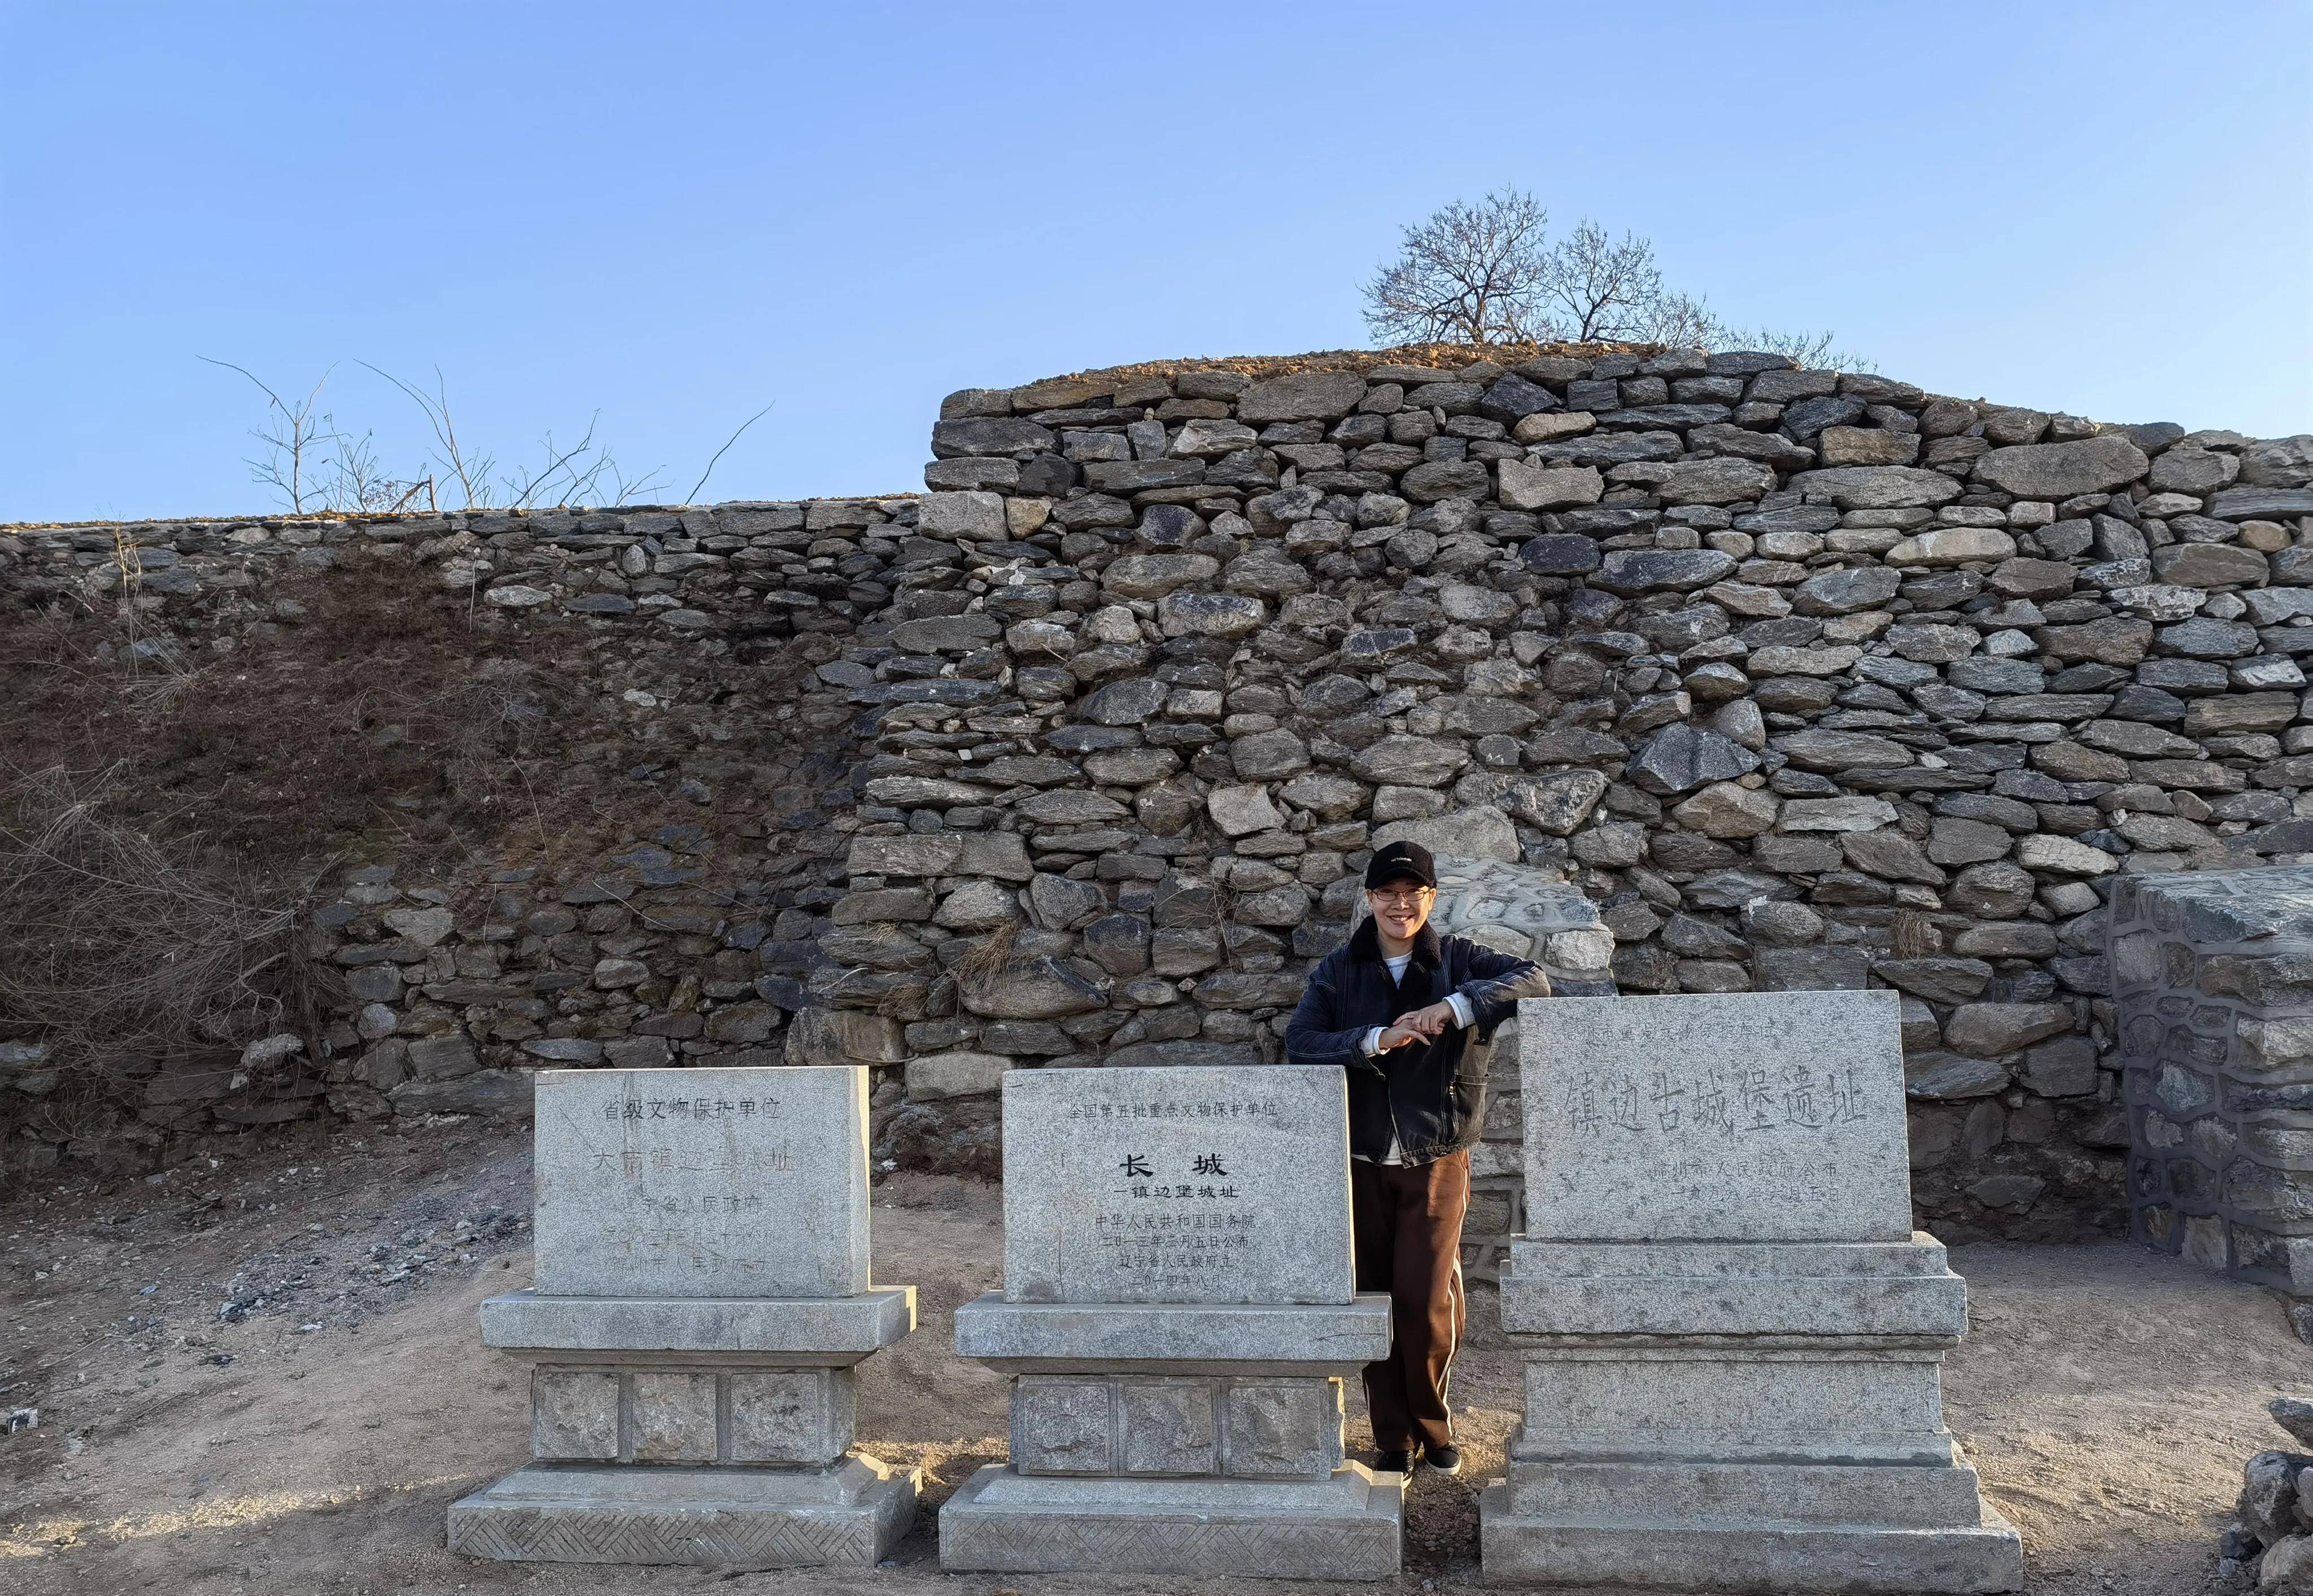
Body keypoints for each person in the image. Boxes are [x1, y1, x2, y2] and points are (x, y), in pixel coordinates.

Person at [1284, 839, 1551, 1476]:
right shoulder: (1338, 970)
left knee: (1425, 1301)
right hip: (1362, 1157)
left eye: (1413, 894)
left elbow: (1534, 980)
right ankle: (1392, 1438)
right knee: (1375, 1298)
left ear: (1430, 900)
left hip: (1437, 1156)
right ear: (1370, 900)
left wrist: (1452, 1007)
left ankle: (1434, 1427)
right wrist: (1375, 1038)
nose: (1400, 905)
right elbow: (1300, 1041)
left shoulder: (1458, 959)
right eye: (1387, 894)